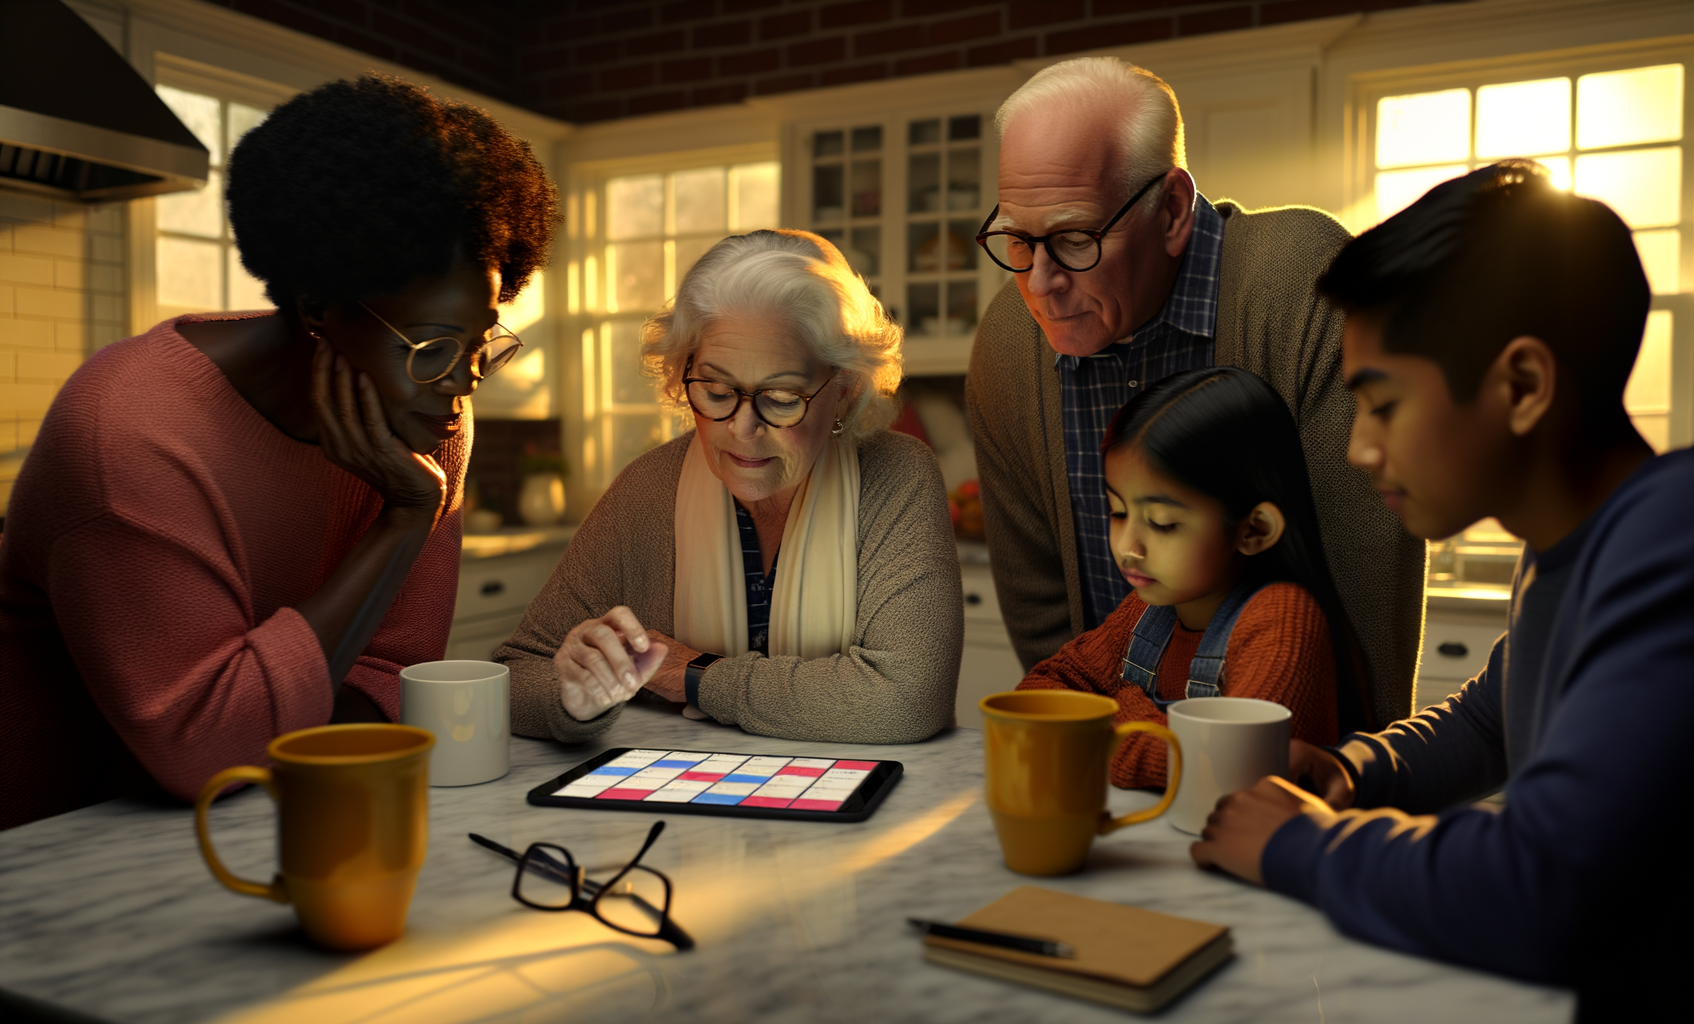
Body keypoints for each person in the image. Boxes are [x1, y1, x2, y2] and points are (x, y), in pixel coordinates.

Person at [1190, 162, 1694, 1016]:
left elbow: (1547, 887)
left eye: (1382, 404)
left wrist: (1305, 847)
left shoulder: (1693, 545)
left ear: (1523, 386)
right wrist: (1355, 772)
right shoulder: (1583, 545)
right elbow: (1489, 717)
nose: (1359, 448)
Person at [0, 75, 557, 829]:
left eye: (479, 338)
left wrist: (267, 712)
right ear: (318, 312)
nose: (461, 384)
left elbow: (395, 679)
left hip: (265, 819)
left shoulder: (426, 419)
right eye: (430, 346)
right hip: (59, 845)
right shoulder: (129, 430)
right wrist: (403, 522)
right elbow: (205, 752)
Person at [965, 56, 1422, 728]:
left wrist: (1363, 775)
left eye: (1073, 238)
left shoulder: (1302, 284)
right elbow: (1043, 615)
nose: (1037, 282)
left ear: (1173, 209)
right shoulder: (1008, 341)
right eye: (1017, 239)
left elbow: (1370, 570)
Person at [496, 230, 960, 746]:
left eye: (782, 397)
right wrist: (575, 694)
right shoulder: (648, 488)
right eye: (716, 391)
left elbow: (907, 699)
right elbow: (516, 672)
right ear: (681, 373)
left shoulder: (897, 476)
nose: (742, 428)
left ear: (846, 394)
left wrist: (692, 675)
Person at [1018, 367, 1366, 788]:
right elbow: (1038, 693)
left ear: (1253, 529)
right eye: (1118, 512)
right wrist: (1159, 735)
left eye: (1162, 522)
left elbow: (1233, 771)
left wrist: (1124, 706)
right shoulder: (1148, 612)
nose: (1129, 546)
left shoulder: (1284, 620)